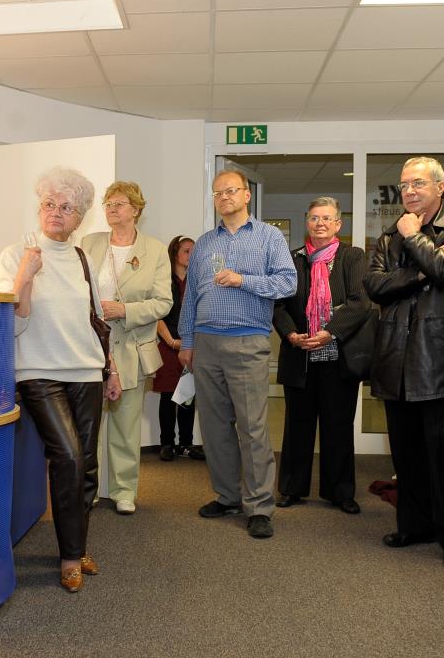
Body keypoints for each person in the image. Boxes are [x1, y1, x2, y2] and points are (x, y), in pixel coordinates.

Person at [0, 166, 121, 591]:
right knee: (67, 455)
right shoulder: (17, 254)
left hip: (86, 369)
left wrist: (110, 369)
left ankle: (77, 544)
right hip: (37, 372)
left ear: (79, 217)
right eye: (50, 204)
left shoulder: (83, 259)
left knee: (86, 463)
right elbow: (12, 322)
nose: (56, 213)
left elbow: (96, 319)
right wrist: (25, 275)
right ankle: (69, 557)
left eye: (67, 208)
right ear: (39, 207)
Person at [364, 156, 444, 569]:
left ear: (440, 187)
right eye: (404, 185)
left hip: (439, 360)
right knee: (407, 453)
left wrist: (415, 239)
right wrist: (420, 273)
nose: (409, 191)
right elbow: (375, 286)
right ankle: (414, 525)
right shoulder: (389, 235)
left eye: (418, 184)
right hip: (395, 357)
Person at [179, 169, 297, 539]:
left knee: (252, 428)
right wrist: (187, 342)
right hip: (206, 343)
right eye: (217, 193)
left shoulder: (269, 237)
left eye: (230, 191)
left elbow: (287, 283)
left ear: (246, 195)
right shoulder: (203, 243)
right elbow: (191, 297)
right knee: (214, 428)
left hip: (247, 342)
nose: (224, 197)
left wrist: (242, 279)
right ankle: (228, 496)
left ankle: (259, 506)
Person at [273, 197, 371, 514]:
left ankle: (340, 492)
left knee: (337, 426)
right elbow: (278, 304)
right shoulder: (292, 259)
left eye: (327, 218)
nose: (320, 223)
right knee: (297, 426)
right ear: (307, 222)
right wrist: (290, 334)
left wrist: (330, 332)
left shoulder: (352, 257)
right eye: (315, 218)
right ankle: (292, 488)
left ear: (338, 224)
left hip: (338, 356)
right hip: (299, 354)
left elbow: (360, 302)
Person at [82, 181, 172, 515]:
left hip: (132, 347)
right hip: (91, 347)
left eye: (119, 203)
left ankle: (124, 491)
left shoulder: (155, 250)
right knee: (89, 426)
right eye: (108, 203)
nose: (111, 209)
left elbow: (163, 302)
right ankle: (88, 490)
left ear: (136, 209)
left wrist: (125, 310)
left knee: (125, 425)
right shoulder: (89, 244)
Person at [153, 235, 206, 463]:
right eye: (186, 251)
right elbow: (157, 316)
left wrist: (188, 343)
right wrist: (171, 342)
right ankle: (167, 443)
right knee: (168, 396)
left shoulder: (198, 281)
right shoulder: (164, 281)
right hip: (168, 345)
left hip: (191, 347)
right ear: (175, 254)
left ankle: (186, 444)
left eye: (194, 251)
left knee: (187, 397)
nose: (191, 255)